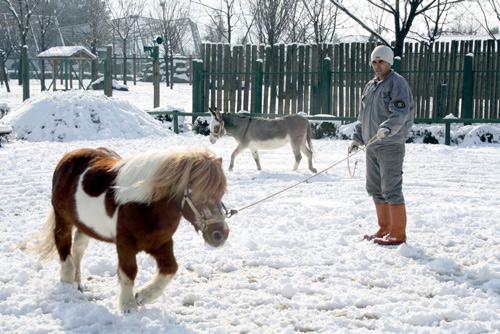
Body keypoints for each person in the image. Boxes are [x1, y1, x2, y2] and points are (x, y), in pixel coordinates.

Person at [348, 45, 414, 246]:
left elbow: (400, 113)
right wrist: (357, 138)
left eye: (381, 61)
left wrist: (387, 128)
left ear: (389, 63)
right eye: (374, 62)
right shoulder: (370, 86)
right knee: (375, 187)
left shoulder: (397, 83)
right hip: (372, 145)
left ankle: (398, 233)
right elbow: (363, 117)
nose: (377, 66)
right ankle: (384, 228)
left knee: (391, 187)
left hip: (390, 144)